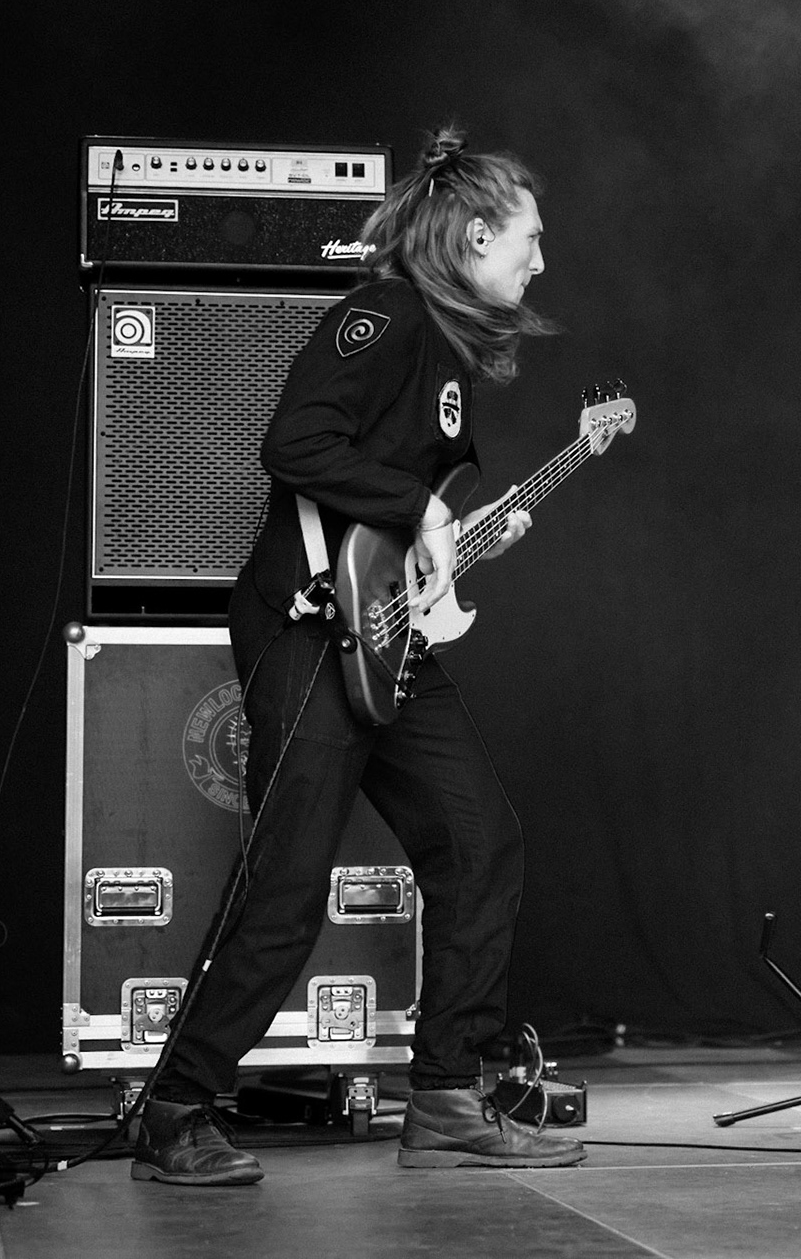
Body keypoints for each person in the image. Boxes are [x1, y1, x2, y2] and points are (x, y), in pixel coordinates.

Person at [132, 125, 586, 1184]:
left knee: (482, 841)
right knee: (288, 881)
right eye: (529, 237)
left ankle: (448, 1099)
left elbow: (387, 522)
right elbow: (293, 445)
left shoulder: (449, 349)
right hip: (301, 626)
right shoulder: (380, 316)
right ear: (476, 234)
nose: (540, 259)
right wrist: (423, 506)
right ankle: (174, 1107)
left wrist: (446, 551)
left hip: (382, 631)